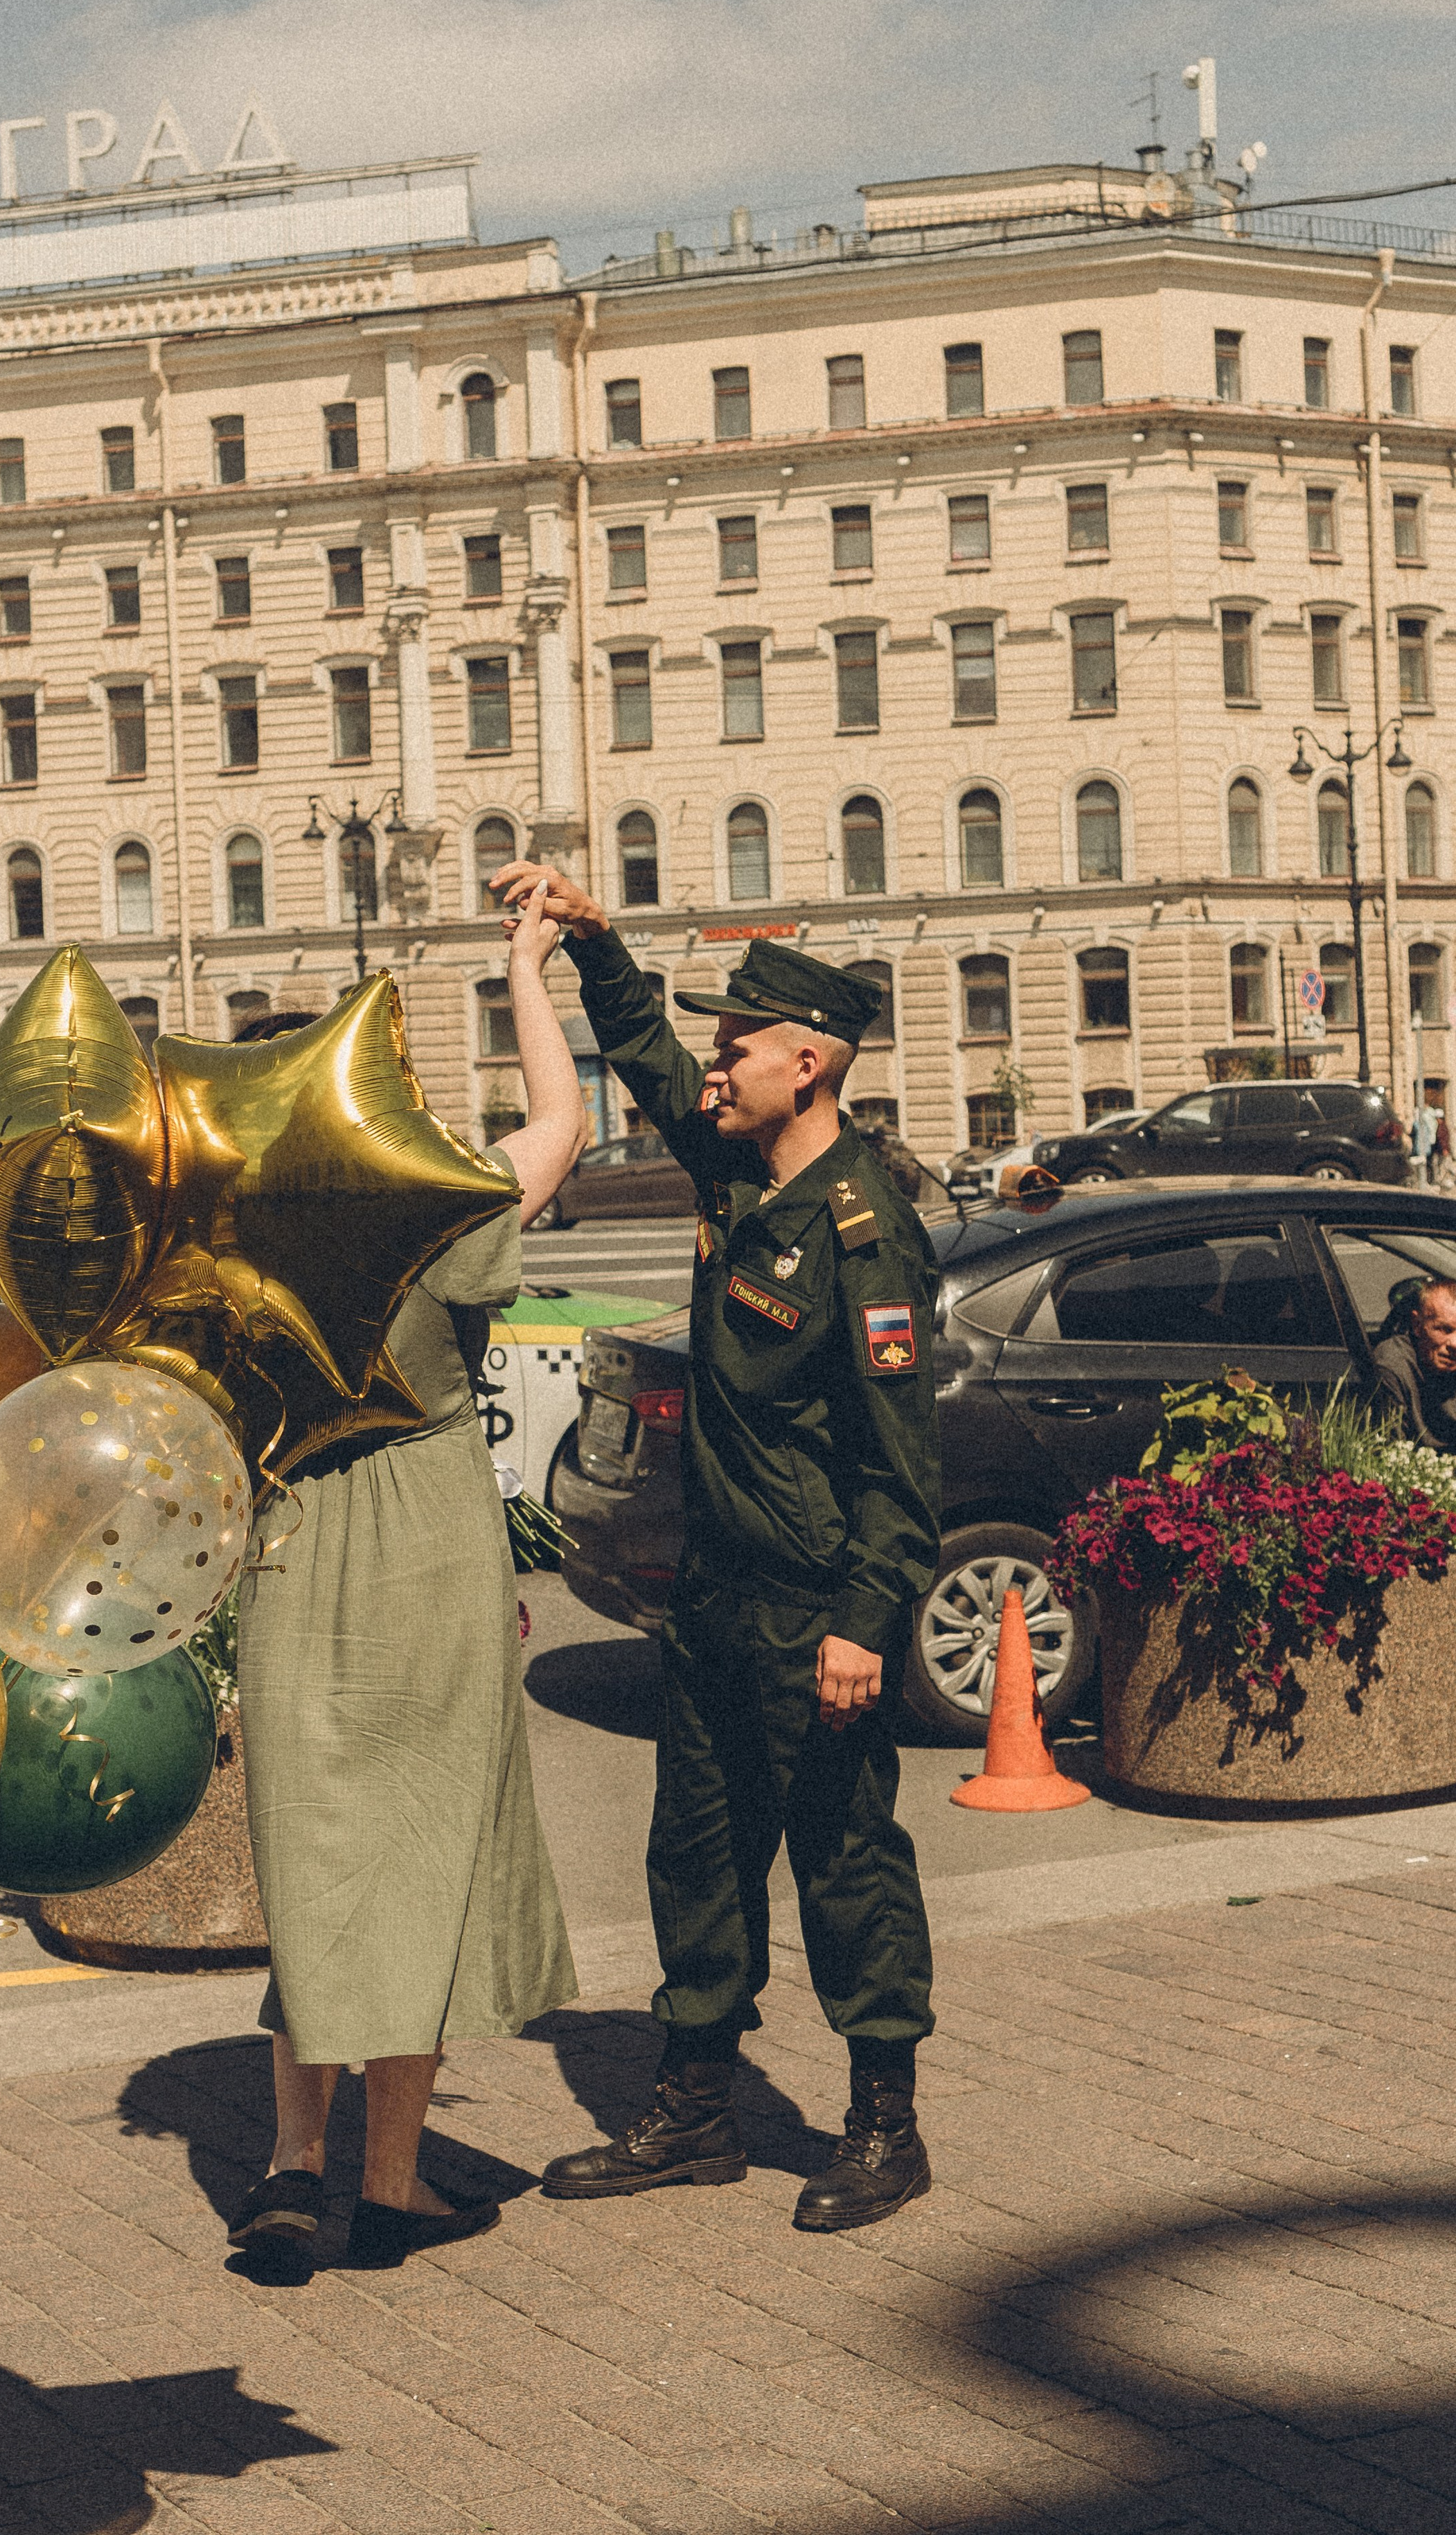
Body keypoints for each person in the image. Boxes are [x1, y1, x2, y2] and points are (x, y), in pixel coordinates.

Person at [495, 857, 941, 2234]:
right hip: (712, 1594)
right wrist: (589, 938)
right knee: (693, 1854)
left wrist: (866, 1619)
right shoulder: (730, 1172)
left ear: (805, 1064)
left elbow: (900, 1465)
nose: (713, 1061)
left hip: (814, 1610)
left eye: (735, 1044)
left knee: (844, 1865)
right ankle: (693, 2108)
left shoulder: (864, 1237)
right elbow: (635, 1052)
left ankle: (881, 2120)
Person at [228, 881, 585, 2273]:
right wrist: (523, 972)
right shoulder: (439, 1217)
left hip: (291, 1545)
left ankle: (284, 2168)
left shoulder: (237, 1250)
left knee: (317, 1872)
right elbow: (560, 1123)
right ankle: (390, 2183)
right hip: (430, 1547)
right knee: (423, 1862)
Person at [1371, 1276, 1456, 1452]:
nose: (1454, 1344)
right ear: (1417, 1325)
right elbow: (1390, 1453)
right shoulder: (1393, 1366)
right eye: (1444, 1329)